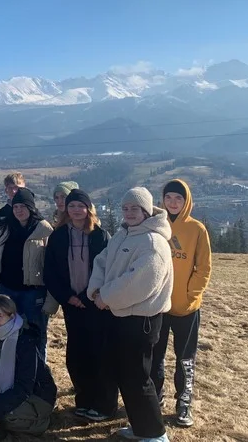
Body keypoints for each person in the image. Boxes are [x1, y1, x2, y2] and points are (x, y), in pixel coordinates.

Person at [87, 187, 173, 442]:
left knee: (138, 378)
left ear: (146, 210)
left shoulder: (153, 242)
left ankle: (156, 434)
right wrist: (95, 290)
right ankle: (140, 427)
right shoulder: (123, 235)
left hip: (141, 320)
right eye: (125, 208)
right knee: (125, 375)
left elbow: (138, 283)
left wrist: (105, 297)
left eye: (135, 208)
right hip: (121, 316)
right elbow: (102, 261)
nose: (129, 213)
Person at [43, 189, 116, 421]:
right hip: (71, 305)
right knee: (76, 354)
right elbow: (50, 272)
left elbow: (108, 270)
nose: (76, 210)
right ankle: (83, 400)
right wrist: (68, 297)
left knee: (99, 354)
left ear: (89, 209)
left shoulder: (101, 235)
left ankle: (104, 404)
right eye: (72, 205)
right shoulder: (58, 236)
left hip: (96, 304)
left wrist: (87, 296)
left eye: (80, 206)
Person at [153, 179, 212, 428]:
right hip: (157, 304)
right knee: (155, 355)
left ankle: (184, 401)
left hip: (186, 308)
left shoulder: (197, 229)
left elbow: (204, 267)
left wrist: (191, 295)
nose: (173, 202)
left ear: (186, 200)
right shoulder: (156, 226)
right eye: (169, 198)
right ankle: (154, 398)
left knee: (185, 358)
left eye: (178, 198)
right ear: (163, 200)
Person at [0, 295, 58, 440]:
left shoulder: (25, 342)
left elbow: (24, 386)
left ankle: (40, 423)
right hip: (15, 391)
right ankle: (4, 417)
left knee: (5, 417)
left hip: (37, 395)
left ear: (11, 315)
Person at [0, 187, 53, 360]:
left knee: (36, 333)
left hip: (34, 292)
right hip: (7, 288)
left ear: (31, 208)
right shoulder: (5, 229)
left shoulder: (44, 230)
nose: (19, 210)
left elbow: (53, 266)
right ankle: (10, 366)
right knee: (6, 330)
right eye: (15, 207)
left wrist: (51, 299)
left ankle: (38, 369)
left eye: (23, 206)